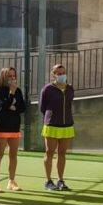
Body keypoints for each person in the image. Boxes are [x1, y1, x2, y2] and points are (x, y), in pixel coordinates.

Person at [39, 63, 75, 192]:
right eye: (58, 73)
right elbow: (42, 107)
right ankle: (48, 181)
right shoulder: (47, 89)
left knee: (62, 153)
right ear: (53, 75)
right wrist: (51, 117)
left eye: (63, 73)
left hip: (67, 125)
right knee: (49, 152)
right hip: (52, 125)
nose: (61, 75)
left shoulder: (70, 89)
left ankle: (61, 180)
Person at [0, 66, 25, 193]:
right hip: (1, 126)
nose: (12, 78)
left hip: (14, 126)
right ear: (4, 77)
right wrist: (11, 94)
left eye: (13, 76)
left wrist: (13, 107)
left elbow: (22, 107)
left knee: (13, 155)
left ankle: (11, 181)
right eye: (9, 76)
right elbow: (3, 105)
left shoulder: (18, 90)